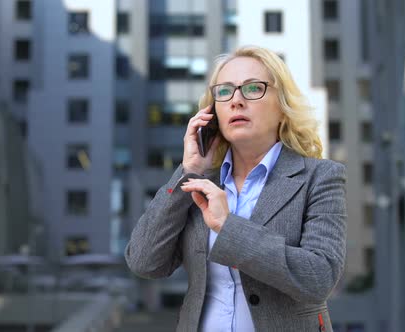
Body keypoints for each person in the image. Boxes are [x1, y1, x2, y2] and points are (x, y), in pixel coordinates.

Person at [125, 45, 347, 332]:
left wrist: (228, 227)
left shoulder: (321, 177)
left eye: (253, 88)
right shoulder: (202, 182)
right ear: (212, 111)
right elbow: (144, 262)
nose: (237, 101)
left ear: (282, 106)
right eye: (225, 91)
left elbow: (319, 278)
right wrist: (188, 170)